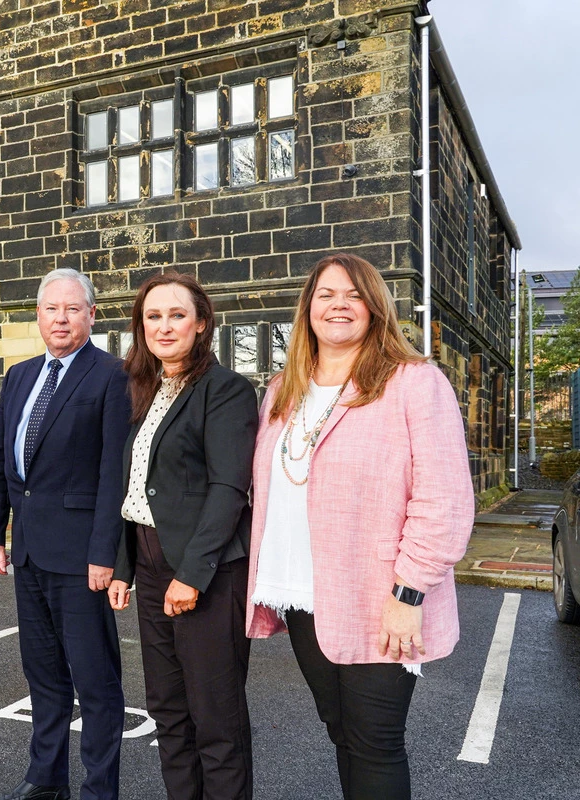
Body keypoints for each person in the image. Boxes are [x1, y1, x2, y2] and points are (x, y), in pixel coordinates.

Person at [245, 254, 474, 799]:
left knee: (375, 742)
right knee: (341, 733)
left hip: (380, 601)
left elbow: (443, 499)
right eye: (326, 294)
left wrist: (408, 592)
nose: (339, 305)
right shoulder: (282, 390)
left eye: (353, 295)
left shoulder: (414, 383)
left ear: (375, 309)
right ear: (307, 309)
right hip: (302, 595)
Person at [0, 268, 132, 800]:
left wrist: (105, 553)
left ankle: (98, 788)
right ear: (38, 315)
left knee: (95, 682)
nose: (61, 318)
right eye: (51, 309)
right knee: (43, 676)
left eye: (72, 308)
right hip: (28, 552)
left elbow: (115, 471)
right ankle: (46, 779)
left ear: (92, 314)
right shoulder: (20, 375)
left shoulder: (112, 375)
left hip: (81, 557)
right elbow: (0, 457)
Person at [109, 272, 257, 800]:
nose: (164, 326)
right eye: (153, 316)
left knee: (215, 718)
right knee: (168, 711)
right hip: (149, 566)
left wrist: (192, 576)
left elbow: (227, 488)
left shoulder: (227, 390)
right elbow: (136, 487)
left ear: (201, 324)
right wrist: (124, 567)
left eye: (176, 315)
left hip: (206, 572)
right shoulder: (144, 390)